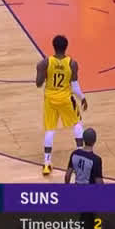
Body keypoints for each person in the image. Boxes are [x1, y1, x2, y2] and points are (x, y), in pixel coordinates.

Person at [36, 34, 88, 176]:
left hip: (50, 100)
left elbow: (38, 84)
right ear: (66, 47)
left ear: (53, 46)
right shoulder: (72, 64)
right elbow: (75, 87)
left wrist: (41, 72)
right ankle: (81, 156)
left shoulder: (45, 63)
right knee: (77, 124)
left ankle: (47, 163)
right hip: (66, 99)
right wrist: (82, 97)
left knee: (50, 129)